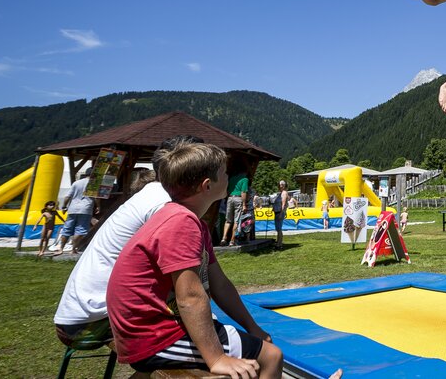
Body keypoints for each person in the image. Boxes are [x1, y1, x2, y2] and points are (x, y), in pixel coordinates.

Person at [106, 141, 284, 377]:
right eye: (224, 173)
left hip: (150, 326)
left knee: (255, 352)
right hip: (150, 334)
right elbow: (189, 297)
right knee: (271, 357)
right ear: (207, 185)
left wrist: (252, 327)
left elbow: (220, 284)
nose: (229, 176)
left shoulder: (189, 221)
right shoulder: (182, 222)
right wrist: (217, 358)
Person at [53, 136, 200, 351]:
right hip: (91, 322)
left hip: (78, 315)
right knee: (211, 345)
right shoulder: (164, 205)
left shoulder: (151, 194)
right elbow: (188, 291)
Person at [54, 168, 96, 255]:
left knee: (67, 229)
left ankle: (61, 248)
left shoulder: (76, 183)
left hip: (73, 208)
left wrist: (64, 206)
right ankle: (73, 248)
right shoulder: (93, 184)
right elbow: (96, 198)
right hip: (86, 208)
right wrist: (98, 206)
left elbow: (67, 196)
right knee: (81, 230)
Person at [220, 162, 249, 247]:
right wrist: (244, 204)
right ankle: (232, 241)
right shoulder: (244, 179)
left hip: (230, 198)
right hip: (238, 199)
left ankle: (223, 238)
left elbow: (228, 190)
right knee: (236, 221)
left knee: (228, 220)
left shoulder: (232, 178)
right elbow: (244, 192)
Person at [273, 180, 289, 250]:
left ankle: (280, 244)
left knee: (279, 228)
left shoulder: (284, 193)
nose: (281, 186)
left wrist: (281, 212)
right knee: (278, 228)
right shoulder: (280, 193)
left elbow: (283, 203)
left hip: (280, 212)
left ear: (285, 185)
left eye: (282, 184)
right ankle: (278, 243)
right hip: (277, 211)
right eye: (280, 184)